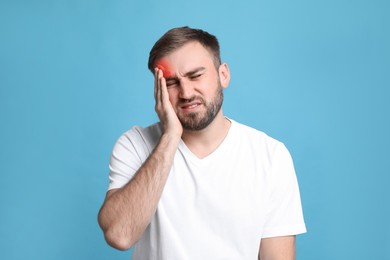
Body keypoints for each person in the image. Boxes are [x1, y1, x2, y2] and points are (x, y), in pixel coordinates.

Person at [98, 26, 306, 260]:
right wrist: (169, 137)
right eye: (171, 82)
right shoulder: (135, 144)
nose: (186, 92)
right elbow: (119, 235)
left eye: (196, 75)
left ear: (223, 75)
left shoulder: (270, 156)